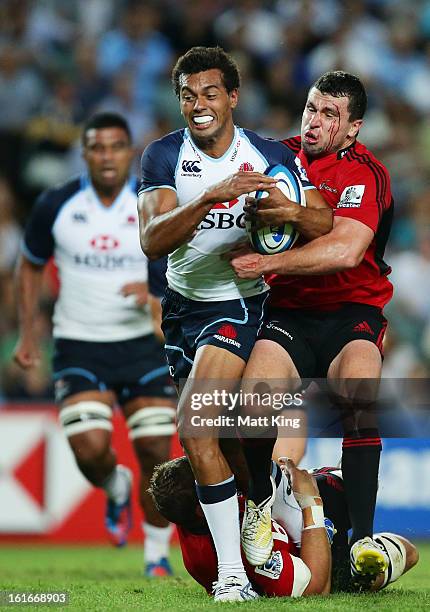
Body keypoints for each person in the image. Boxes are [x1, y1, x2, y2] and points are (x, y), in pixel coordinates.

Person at [138, 46, 332, 601]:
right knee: (217, 441)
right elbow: (152, 240)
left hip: (237, 306)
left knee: (195, 426)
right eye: (188, 95)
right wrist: (212, 198)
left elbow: (322, 220)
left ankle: (229, 577)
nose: (199, 105)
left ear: (233, 98)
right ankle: (288, 517)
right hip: (180, 308)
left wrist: (285, 210)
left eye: (210, 93)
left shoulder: (268, 154)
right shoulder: (162, 155)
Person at [231, 71, 394, 580]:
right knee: (254, 401)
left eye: (330, 114)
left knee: (359, 393)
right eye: (310, 109)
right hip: (289, 317)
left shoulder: (366, 173)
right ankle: (258, 507)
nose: (315, 122)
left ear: (353, 128)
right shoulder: (276, 160)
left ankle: (361, 540)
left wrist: (268, 264)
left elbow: (346, 250)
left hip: (352, 313)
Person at [14, 112, 176, 577]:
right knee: (89, 448)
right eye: (97, 147)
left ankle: (156, 556)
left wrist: (153, 299)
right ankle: (115, 487)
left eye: (116, 146)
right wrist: (28, 333)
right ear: (84, 153)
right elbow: (28, 265)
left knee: (155, 453)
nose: (107, 155)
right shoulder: (57, 205)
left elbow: (181, 268)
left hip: (143, 347)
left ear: (130, 152)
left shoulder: (153, 206)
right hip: (79, 346)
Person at [149, 455, 419, 597]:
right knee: (407, 550)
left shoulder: (198, 518)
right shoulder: (248, 557)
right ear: (200, 508)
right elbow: (316, 589)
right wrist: (310, 503)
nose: (216, 475)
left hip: (288, 528)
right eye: (205, 480)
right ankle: (350, 558)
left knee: (336, 481)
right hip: (316, 556)